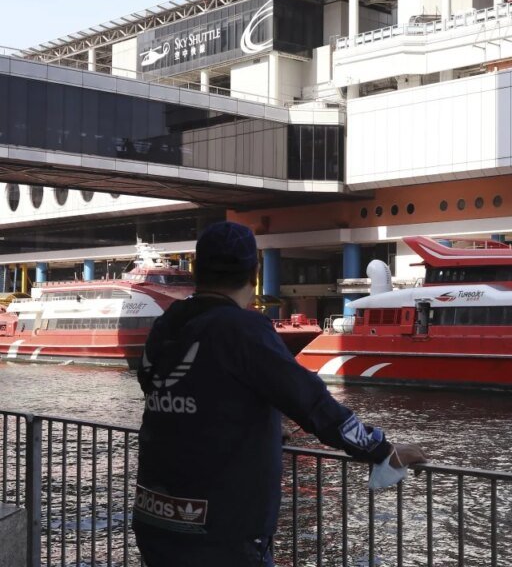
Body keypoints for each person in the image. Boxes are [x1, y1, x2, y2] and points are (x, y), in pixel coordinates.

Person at [132, 221, 427, 566]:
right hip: (219, 532)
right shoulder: (242, 329)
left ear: (197, 270)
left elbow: (174, 388)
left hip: (156, 516)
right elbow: (311, 401)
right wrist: (381, 450)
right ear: (254, 273)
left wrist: (254, 421)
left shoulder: (168, 325)